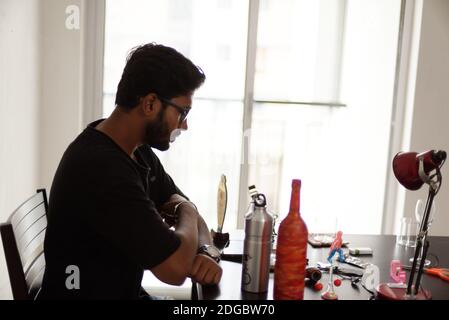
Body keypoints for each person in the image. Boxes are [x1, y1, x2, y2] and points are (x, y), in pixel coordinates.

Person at [38, 43, 222, 299]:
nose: (186, 125)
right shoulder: (101, 168)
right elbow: (175, 269)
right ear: (149, 104)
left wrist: (205, 250)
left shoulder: (136, 150)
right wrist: (187, 210)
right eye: (183, 112)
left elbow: (186, 211)